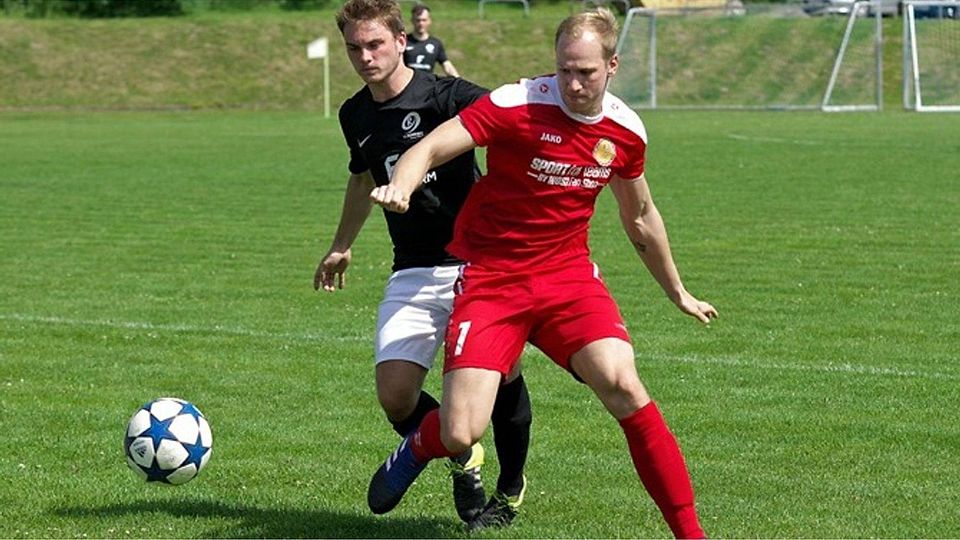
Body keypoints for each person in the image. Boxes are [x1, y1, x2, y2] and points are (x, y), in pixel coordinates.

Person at [366, 7, 717, 539]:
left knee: (625, 384)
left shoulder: (624, 130)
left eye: (586, 73)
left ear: (613, 66)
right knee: (462, 431)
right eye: (565, 70)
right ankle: (419, 445)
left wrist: (678, 291)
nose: (572, 84)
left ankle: (692, 534)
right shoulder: (517, 103)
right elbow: (433, 144)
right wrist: (403, 184)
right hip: (492, 280)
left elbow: (641, 216)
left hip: (567, 279)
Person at [315, 0, 531, 530]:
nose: (364, 57)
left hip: (478, 266)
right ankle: (464, 458)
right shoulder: (355, 114)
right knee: (395, 396)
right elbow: (363, 177)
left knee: (504, 378)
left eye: (375, 45)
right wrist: (342, 244)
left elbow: (516, 115)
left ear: (400, 41)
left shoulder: (446, 95)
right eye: (354, 48)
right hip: (412, 268)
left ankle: (510, 487)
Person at [403, 3, 460, 77]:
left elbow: (447, 65)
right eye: (418, 20)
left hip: (427, 85)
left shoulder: (436, 43)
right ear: (412, 21)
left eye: (424, 20)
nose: (421, 23)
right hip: (407, 85)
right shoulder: (403, 42)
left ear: (429, 21)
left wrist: (458, 80)